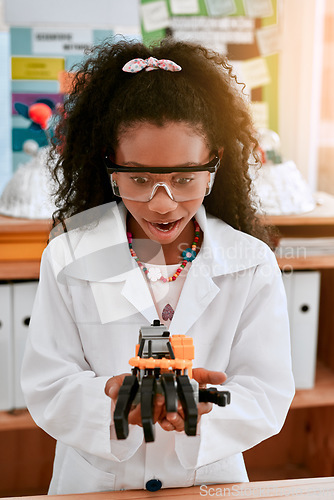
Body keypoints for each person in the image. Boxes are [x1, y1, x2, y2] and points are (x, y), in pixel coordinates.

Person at [21, 37, 295, 494]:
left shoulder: (250, 263)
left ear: (215, 166)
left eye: (184, 178)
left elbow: (266, 392)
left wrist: (203, 406)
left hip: (206, 481)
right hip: (97, 483)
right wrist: (110, 402)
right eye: (140, 178)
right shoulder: (70, 255)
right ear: (110, 167)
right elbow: (49, 382)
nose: (162, 203)